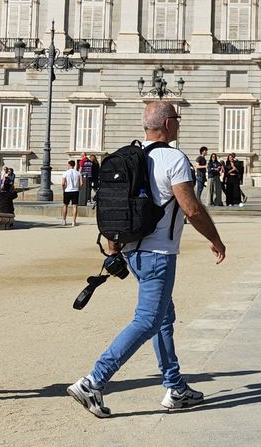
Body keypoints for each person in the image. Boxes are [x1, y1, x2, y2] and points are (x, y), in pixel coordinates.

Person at [68, 100, 226, 417]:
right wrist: (215, 239)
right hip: (158, 254)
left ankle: (175, 386)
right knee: (148, 320)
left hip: (132, 250)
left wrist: (114, 250)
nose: (179, 125)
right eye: (176, 120)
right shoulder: (174, 158)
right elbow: (191, 208)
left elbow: (115, 206)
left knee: (163, 318)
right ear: (167, 123)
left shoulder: (131, 156)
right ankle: (93, 381)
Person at [61, 160, 82, 226]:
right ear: (74, 165)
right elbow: (81, 183)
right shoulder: (78, 173)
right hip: (75, 191)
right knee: (75, 206)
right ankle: (74, 221)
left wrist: (63, 189)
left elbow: (63, 183)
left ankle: (64, 220)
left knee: (65, 205)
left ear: (69, 165)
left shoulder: (65, 173)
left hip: (67, 190)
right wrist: (78, 189)